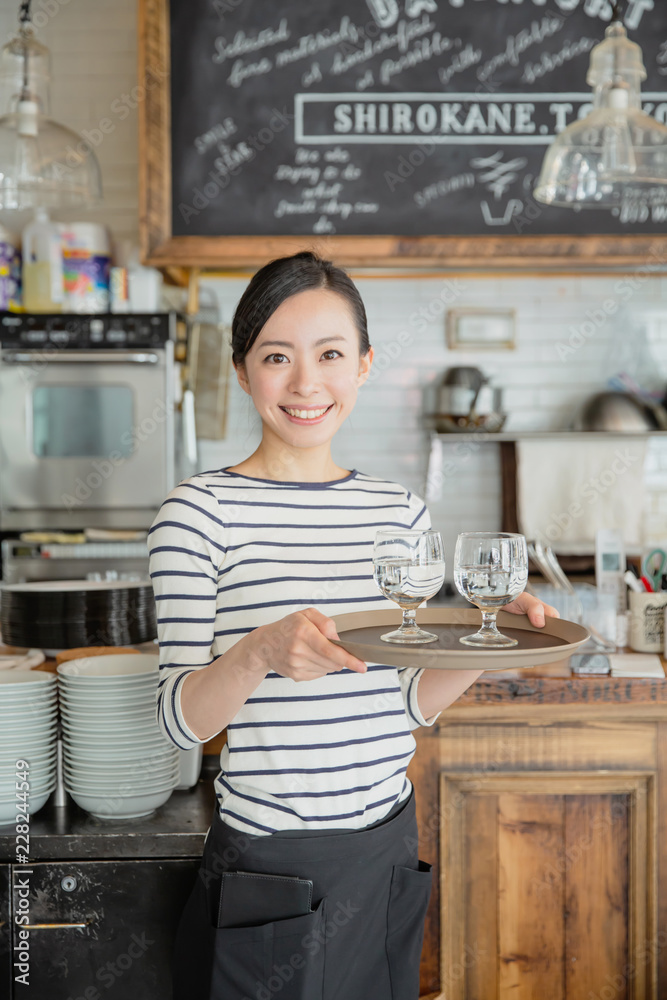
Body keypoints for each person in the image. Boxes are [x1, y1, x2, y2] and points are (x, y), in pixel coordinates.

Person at [148, 251, 556, 1000]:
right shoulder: (198, 512)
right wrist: (259, 652)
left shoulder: (397, 512)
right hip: (271, 861)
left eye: (330, 355)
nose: (306, 384)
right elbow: (178, 723)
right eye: (276, 356)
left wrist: (494, 637)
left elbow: (404, 702)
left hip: (386, 845)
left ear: (364, 365)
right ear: (242, 371)